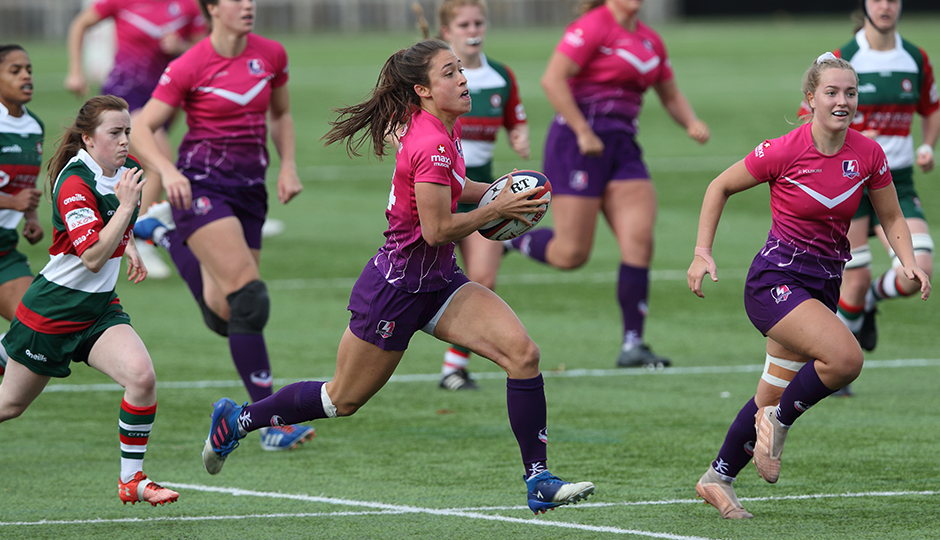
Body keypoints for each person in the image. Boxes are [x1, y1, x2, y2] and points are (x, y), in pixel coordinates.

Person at [200, 39, 595, 515]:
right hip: (395, 292)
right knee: (340, 400)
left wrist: (499, 192)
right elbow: (436, 230)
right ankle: (238, 421)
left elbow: (451, 188)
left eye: (460, 70)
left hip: (440, 283)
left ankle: (539, 479)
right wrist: (496, 207)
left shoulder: (442, 130)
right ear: (423, 91)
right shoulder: (430, 143)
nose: (463, 79)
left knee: (523, 354)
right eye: (449, 73)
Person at [687, 53, 930, 519]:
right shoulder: (782, 149)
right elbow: (718, 186)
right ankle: (778, 423)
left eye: (850, 93)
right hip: (775, 282)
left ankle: (717, 477)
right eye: (832, 93)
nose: (843, 101)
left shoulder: (868, 153)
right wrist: (702, 251)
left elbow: (892, 215)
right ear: (810, 99)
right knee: (845, 359)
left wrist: (908, 261)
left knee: (770, 392)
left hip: (822, 285)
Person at [131, 0, 312, 452]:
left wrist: (288, 164)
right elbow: (141, 127)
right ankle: (269, 421)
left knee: (226, 316)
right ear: (212, 8)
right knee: (250, 300)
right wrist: (168, 173)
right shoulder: (190, 64)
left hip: (251, 190)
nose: (248, 5)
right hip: (202, 186)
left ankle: (163, 234)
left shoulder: (271, 54)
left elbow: (281, 114)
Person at [505, 0, 709, 368]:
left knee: (640, 240)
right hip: (577, 144)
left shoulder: (650, 41)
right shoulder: (592, 26)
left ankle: (633, 344)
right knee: (571, 254)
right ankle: (511, 239)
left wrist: (691, 122)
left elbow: (669, 92)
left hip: (622, 147)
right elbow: (552, 79)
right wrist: (582, 130)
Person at [0, 95, 179, 506]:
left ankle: (131, 480)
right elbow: (93, 256)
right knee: (9, 406)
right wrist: (128, 212)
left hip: (97, 309)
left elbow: (116, 224)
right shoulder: (73, 181)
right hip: (52, 311)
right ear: (88, 138)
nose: (124, 141)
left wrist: (130, 243)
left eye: (127, 132)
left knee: (141, 377)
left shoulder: (125, 170)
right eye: (114, 133)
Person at [804, 0, 938, 398]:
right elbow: (811, 112)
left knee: (918, 270)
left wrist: (927, 145)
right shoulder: (845, 58)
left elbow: (931, 108)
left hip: (897, 180)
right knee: (854, 280)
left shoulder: (915, 57)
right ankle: (836, 370)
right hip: (850, 180)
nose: (886, 6)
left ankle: (871, 304)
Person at [65, 0, 208, 279]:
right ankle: (139, 236)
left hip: (165, 95)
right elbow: (81, 23)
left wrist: (180, 47)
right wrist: (75, 70)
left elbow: (204, 47)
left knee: (136, 165)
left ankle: (113, 230)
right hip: (124, 95)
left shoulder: (187, 6)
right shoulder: (122, 1)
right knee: (159, 161)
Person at [431, 0, 530, 390]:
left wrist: (519, 138)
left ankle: (453, 367)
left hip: (483, 190)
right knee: (428, 281)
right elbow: (398, 125)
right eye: (464, 23)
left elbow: (515, 122)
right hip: (436, 189)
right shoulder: (434, 79)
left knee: (483, 278)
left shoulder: (501, 77)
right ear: (447, 31)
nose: (473, 29)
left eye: (479, 21)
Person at [0, 45, 45, 376]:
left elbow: (25, 187)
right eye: (15, 70)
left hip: (4, 250)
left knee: (41, 321)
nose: (26, 75)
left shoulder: (34, 127)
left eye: (28, 69)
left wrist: (29, 217)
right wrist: (13, 203)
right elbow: (14, 196)